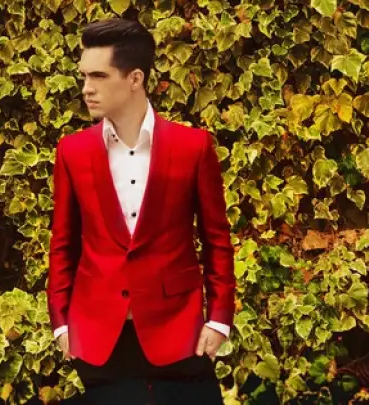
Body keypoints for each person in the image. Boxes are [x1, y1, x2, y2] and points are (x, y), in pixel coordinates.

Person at [46, 17, 236, 405]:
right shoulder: (72, 151)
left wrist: (219, 319)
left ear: (135, 79)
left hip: (179, 333)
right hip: (100, 339)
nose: (86, 88)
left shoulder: (193, 147)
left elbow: (216, 239)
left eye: (99, 76)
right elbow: (63, 244)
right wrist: (61, 324)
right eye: (84, 76)